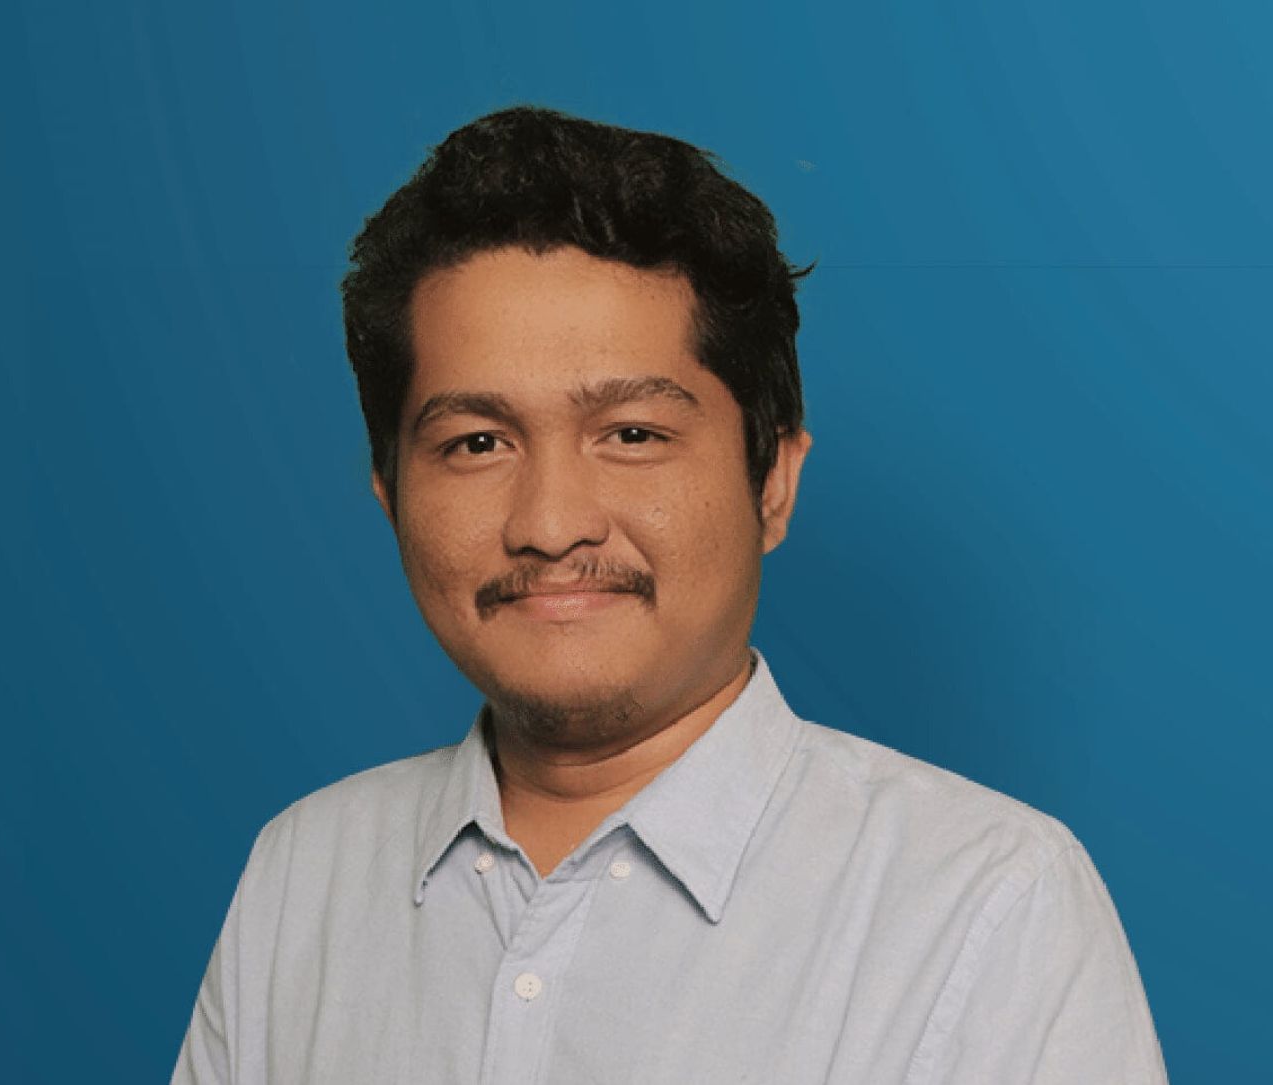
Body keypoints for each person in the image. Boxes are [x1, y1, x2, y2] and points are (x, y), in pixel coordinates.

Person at [171, 106, 1168, 1084]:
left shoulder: (987, 905)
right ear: (390, 495)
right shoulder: (304, 874)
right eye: (477, 442)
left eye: (633, 434)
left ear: (772, 481)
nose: (551, 522)